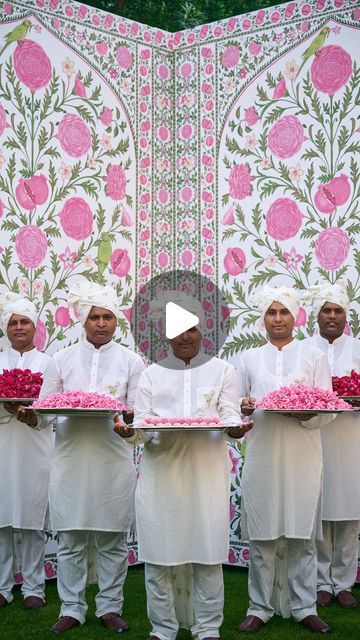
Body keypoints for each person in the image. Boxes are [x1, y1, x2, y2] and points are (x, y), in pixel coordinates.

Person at [114, 292, 254, 640]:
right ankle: (162, 628)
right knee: (159, 556)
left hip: (206, 475)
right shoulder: (151, 374)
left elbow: (230, 418)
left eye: (192, 329)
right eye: (178, 331)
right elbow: (142, 430)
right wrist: (127, 433)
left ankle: (208, 628)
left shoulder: (223, 370)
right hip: (161, 476)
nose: (186, 337)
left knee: (207, 556)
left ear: (201, 332)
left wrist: (236, 429)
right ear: (167, 336)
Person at [18, 281, 145, 633]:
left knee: (111, 540)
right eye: (94, 317)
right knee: (71, 539)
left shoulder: (131, 361)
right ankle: (71, 608)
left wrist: (128, 420)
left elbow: (136, 412)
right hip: (70, 459)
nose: (101, 323)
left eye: (107, 317)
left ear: (116, 322)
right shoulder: (61, 359)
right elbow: (44, 412)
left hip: (112, 459)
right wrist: (30, 416)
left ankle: (109, 607)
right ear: (83, 322)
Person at [234, 286, 333, 634]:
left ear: (295, 317)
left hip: (303, 455)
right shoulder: (247, 359)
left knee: (302, 533)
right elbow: (237, 410)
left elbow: (327, 410)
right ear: (263, 319)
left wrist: (304, 414)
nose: (278, 319)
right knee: (262, 534)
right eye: (271, 313)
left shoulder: (313, 357)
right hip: (262, 454)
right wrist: (244, 407)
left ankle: (303, 605)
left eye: (284, 313)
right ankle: (259, 606)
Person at [304, 283, 360, 609]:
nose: (332, 316)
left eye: (338, 310)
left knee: (351, 511)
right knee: (320, 506)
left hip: (353, 438)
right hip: (316, 436)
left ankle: (344, 582)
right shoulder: (304, 350)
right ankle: (321, 581)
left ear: (346, 315)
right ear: (317, 315)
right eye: (326, 310)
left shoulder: (357, 348)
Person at [0, 292, 52, 610]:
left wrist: (36, 415)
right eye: (13, 323)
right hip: (3, 447)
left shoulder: (49, 364)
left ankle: (34, 586)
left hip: (36, 446)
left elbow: (55, 411)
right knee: (2, 519)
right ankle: (3, 587)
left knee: (32, 519)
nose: (19, 328)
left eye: (24, 322)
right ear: (6, 329)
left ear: (35, 328)